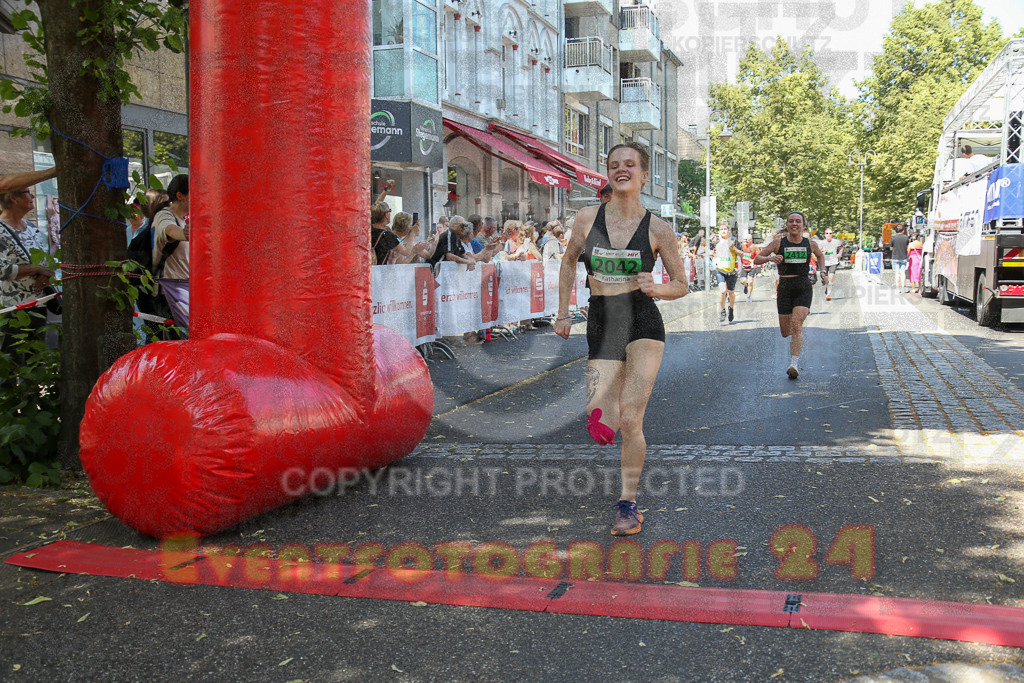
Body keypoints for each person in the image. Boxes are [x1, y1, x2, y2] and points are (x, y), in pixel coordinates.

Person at [554, 142, 688, 536]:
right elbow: (567, 264)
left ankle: (628, 505)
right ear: (608, 174)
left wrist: (657, 287)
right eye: (614, 165)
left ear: (644, 175)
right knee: (601, 423)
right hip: (602, 319)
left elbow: (682, 284)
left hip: (643, 320)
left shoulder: (659, 229)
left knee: (632, 417)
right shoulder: (585, 219)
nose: (621, 169)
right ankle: (605, 418)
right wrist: (563, 312)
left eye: (630, 164)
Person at [753, 211, 825, 379]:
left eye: (798, 221)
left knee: (797, 322)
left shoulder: (810, 244)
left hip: (803, 286)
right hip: (784, 287)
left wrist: (823, 271)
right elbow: (757, 259)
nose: (794, 224)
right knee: (786, 332)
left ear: (803, 226)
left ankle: (794, 364)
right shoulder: (778, 243)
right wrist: (771, 259)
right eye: (791, 221)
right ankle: (795, 340)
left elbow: (820, 256)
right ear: (787, 225)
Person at [0, 168, 59, 359]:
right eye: (27, 192)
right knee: (13, 357)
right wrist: (36, 269)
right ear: (13, 198)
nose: (32, 196)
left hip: (38, 304)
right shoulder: (1, 229)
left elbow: (44, 259)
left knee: (36, 357)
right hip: (14, 308)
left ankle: (32, 390)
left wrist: (46, 272)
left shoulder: (31, 227)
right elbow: (4, 269)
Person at [712, 224, 743, 324]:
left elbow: (742, 254)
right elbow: (711, 253)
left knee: (730, 292)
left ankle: (731, 309)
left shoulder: (734, 241)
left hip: (731, 271)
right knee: (722, 290)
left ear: (728, 231)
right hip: (720, 270)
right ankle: (722, 311)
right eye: (721, 229)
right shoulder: (715, 243)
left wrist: (734, 248)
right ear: (719, 232)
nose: (723, 231)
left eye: (725, 229)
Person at [816, 228, 843, 301]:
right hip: (824, 262)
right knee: (825, 279)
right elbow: (817, 251)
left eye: (830, 233)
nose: (829, 235)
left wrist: (839, 253)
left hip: (833, 262)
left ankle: (828, 294)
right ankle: (825, 283)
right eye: (827, 233)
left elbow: (842, 247)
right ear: (825, 235)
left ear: (832, 234)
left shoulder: (836, 242)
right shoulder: (821, 242)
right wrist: (822, 251)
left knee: (831, 278)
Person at [370, 201, 400, 266]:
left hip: (366, 270)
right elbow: (406, 252)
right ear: (386, 214)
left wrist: (385, 191)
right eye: (389, 211)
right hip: (380, 271)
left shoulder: (367, 230)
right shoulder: (389, 236)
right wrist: (413, 233)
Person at [890, 224, 910, 293]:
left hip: (895, 257)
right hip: (904, 257)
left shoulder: (893, 238)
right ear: (903, 230)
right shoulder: (906, 238)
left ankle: (897, 288)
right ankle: (903, 287)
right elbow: (908, 247)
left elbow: (891, 248)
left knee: (897, 273)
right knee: (902, 273)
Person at [739, 236, 758, 302]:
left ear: (751, 239)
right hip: (744, 266)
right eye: (745, 240)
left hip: (752, 266)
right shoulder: (743, 246)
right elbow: (739, 254)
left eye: (747, 239)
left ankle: (749, 296)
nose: (746, 241)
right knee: (742, 281)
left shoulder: (755, 247)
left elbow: (759, 256)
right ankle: (746, 285)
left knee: (750, 281)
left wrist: (755, 262)